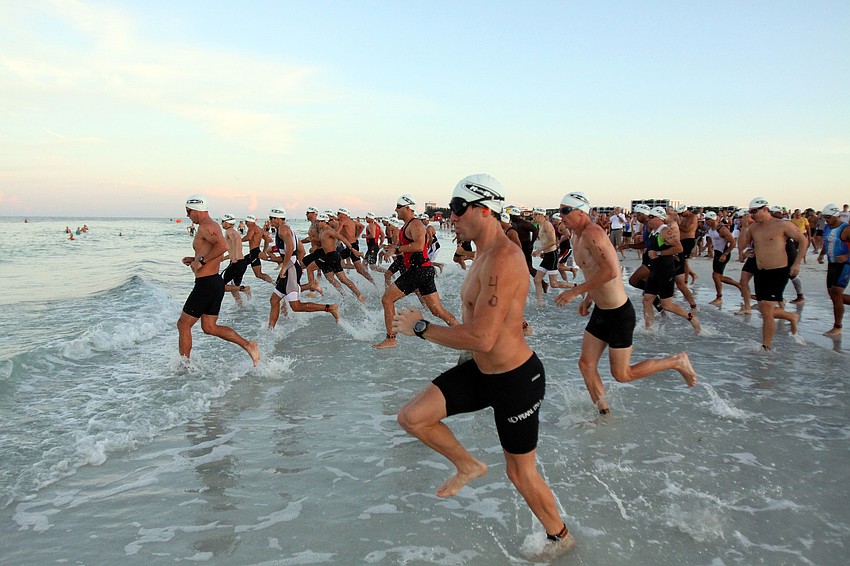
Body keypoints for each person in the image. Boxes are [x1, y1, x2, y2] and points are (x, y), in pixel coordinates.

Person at [393, 174, 574, 553]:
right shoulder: (482, 254)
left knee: (521, 474)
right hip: (481, 371)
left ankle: (561, 539)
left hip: (515, 381)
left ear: (483, 210)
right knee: (413, 417)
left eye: (457, 209)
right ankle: (468, 465)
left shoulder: (503, 259)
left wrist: (422, 327)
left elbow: (484, 337)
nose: (452, 217)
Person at [554, 193, 696, 415]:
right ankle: (604, 411)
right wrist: (589, 298)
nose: (561, 216)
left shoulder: (594, 234)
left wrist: (575, 291)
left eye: (565, 211)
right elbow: (593, 270)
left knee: (622, 374)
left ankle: (677, 361)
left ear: (581, 212)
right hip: (602, 311)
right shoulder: (576, 237)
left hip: (619, 313)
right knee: (586, 365)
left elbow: (611, 271)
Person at [177, 195, 260, 366]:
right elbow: (213, 249)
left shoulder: (205, 227)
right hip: (213, 282)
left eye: (188, 211)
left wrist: (200, 262)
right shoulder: (211, 226)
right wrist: (195, 258)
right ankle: (249, 345)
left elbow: (223, 246)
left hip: (206, 284)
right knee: (209, 327)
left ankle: (183, 368)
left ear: (196, 210)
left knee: (183, 325)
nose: (187, 215)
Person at [373, 194, 458, 349]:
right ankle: (460, 333)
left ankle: (391, 338)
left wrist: (396, 249)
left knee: (387, 299)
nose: (396, 210)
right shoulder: (406, 226)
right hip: (423, 271)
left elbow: (419, 246)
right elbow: (409, 248)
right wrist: (391, 249)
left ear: (407, 208)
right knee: (437, 310)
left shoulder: (415, 224)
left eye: (398, 207)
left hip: (419, 271)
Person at [739, 198, 804, 351]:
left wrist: (797, 263)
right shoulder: (754, 227)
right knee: (764, 309)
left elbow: (803, 240)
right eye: (750, 212)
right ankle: (791, 317)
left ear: (765, 209)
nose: (752, 215)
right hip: (760, 271)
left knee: (767, 310)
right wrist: (743, 227)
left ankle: (766, 347)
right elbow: (742, 245)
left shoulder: (782, 225)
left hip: (778, 271)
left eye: (755, 211)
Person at [266, 207, 339, 329]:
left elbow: (290, 248)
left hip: (290, 270)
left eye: (271, 218)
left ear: (276, 218)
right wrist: (296, 265)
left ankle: (330, 307)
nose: (270, 221)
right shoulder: (287, 229)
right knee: (274, 300)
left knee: (296, 306)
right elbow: (301, 249)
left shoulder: (283, 229)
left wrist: (286, 267)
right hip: (292, 267)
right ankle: (270, 330)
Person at [642, 207, 701, 333]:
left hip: (665, 271)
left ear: (659, 218)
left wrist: (658, 253)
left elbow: (679, 248)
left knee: (666, 305)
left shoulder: (665, 231)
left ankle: (692, 318)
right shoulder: (654, 232)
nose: (648, 220)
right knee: (647, 299)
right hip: (655, 271)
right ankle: (649, 330)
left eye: (651, 217)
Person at [817, 203, 850, 336]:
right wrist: (821, 254)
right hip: (832, 264)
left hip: (845, 265)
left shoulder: (846, 229)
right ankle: (837, 325)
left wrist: (847, 255)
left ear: (836, 215)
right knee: (833, 295)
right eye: (825, 217)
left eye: (829, 217)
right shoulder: (827, 228)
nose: (826, 220)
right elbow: (826, 242)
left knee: (836, 293)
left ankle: (838, 327)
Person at [531, 207, 570, 306]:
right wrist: (543, 252)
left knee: (554, 284)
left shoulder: (547, 225)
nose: (533, 216)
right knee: (537, 279)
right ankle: (539, 303)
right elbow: (545, 241)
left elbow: (553, 242)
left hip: (552, 255)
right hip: (547, 255)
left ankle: (575, 286)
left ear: (540, 215)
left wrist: (538, 251)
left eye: (535, 214)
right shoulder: (540, 225)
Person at [704, 211, 742, 306]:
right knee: (717, 276)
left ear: (713, 220)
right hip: (717, 253)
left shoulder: (722, 229)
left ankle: (719, 297)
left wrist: (725, 254)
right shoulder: (711, 228)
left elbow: (733, 243)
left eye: (707, 220)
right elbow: (710, 239)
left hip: (723, 253)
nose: (705, 222)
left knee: (716, 276)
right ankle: (738, 285)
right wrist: (707, 248)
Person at [219, 214, 251, 306]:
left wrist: (235, 256)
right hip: (241, 263)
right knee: (233, 287)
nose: (221, 224)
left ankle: (244, 289)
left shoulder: (230, 231)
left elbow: (236, 239)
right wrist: (223, 259)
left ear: (228, 223)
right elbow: (232, 251)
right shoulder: (234, 231)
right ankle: (240, 305)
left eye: (223, 222)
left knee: (220, 286)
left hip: (237, 263)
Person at [242, 215, 275, 285]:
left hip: (254, 253)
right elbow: (268, 239)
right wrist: (264, 251)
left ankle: (275, 284)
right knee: (240, 264)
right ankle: (236, 284)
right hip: (255, 252)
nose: (245, 224)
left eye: (246, 222)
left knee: (259, 274)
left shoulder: (252, 228)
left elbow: (249, 237)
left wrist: (238, 240)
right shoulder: (259, 229)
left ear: (250, 222)